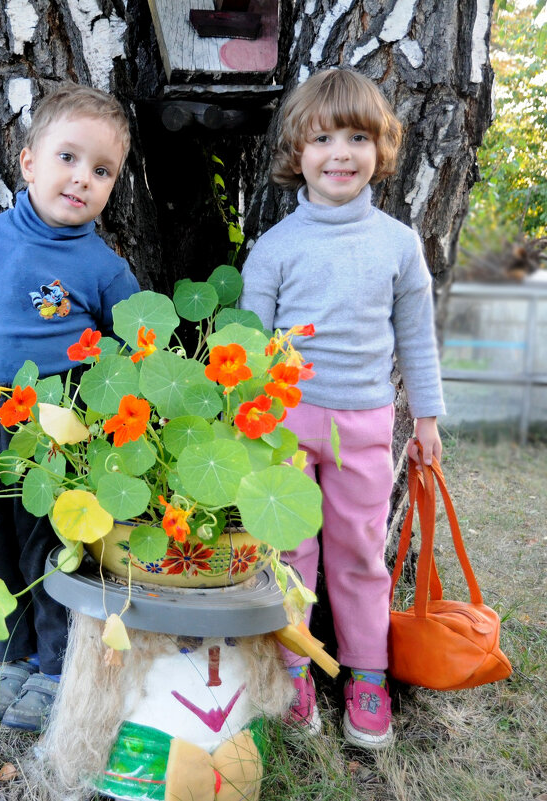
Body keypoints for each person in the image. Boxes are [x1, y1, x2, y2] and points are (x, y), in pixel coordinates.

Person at [239, 68, 445, 749]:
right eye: (323, 137)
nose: (340, 153)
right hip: (286, 425)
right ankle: (293, 666)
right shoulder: (274, 249)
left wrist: (429, 420)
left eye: (358, 137)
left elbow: (416, 335)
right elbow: (248, 350)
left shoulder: (395, 244)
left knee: (360, 551)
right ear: (298, 150)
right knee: (290, 548)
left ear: (380, 149)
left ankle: (367, 673)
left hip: (364, 424)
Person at [0, 83, 140, 731]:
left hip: (53, 427)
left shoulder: (103, 268)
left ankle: (56, 666)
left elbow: (136, 346)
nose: (82, 178)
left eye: (102, 170)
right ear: (29, 163)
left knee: (52, 545)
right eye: (68, 158)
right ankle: (13, 655)